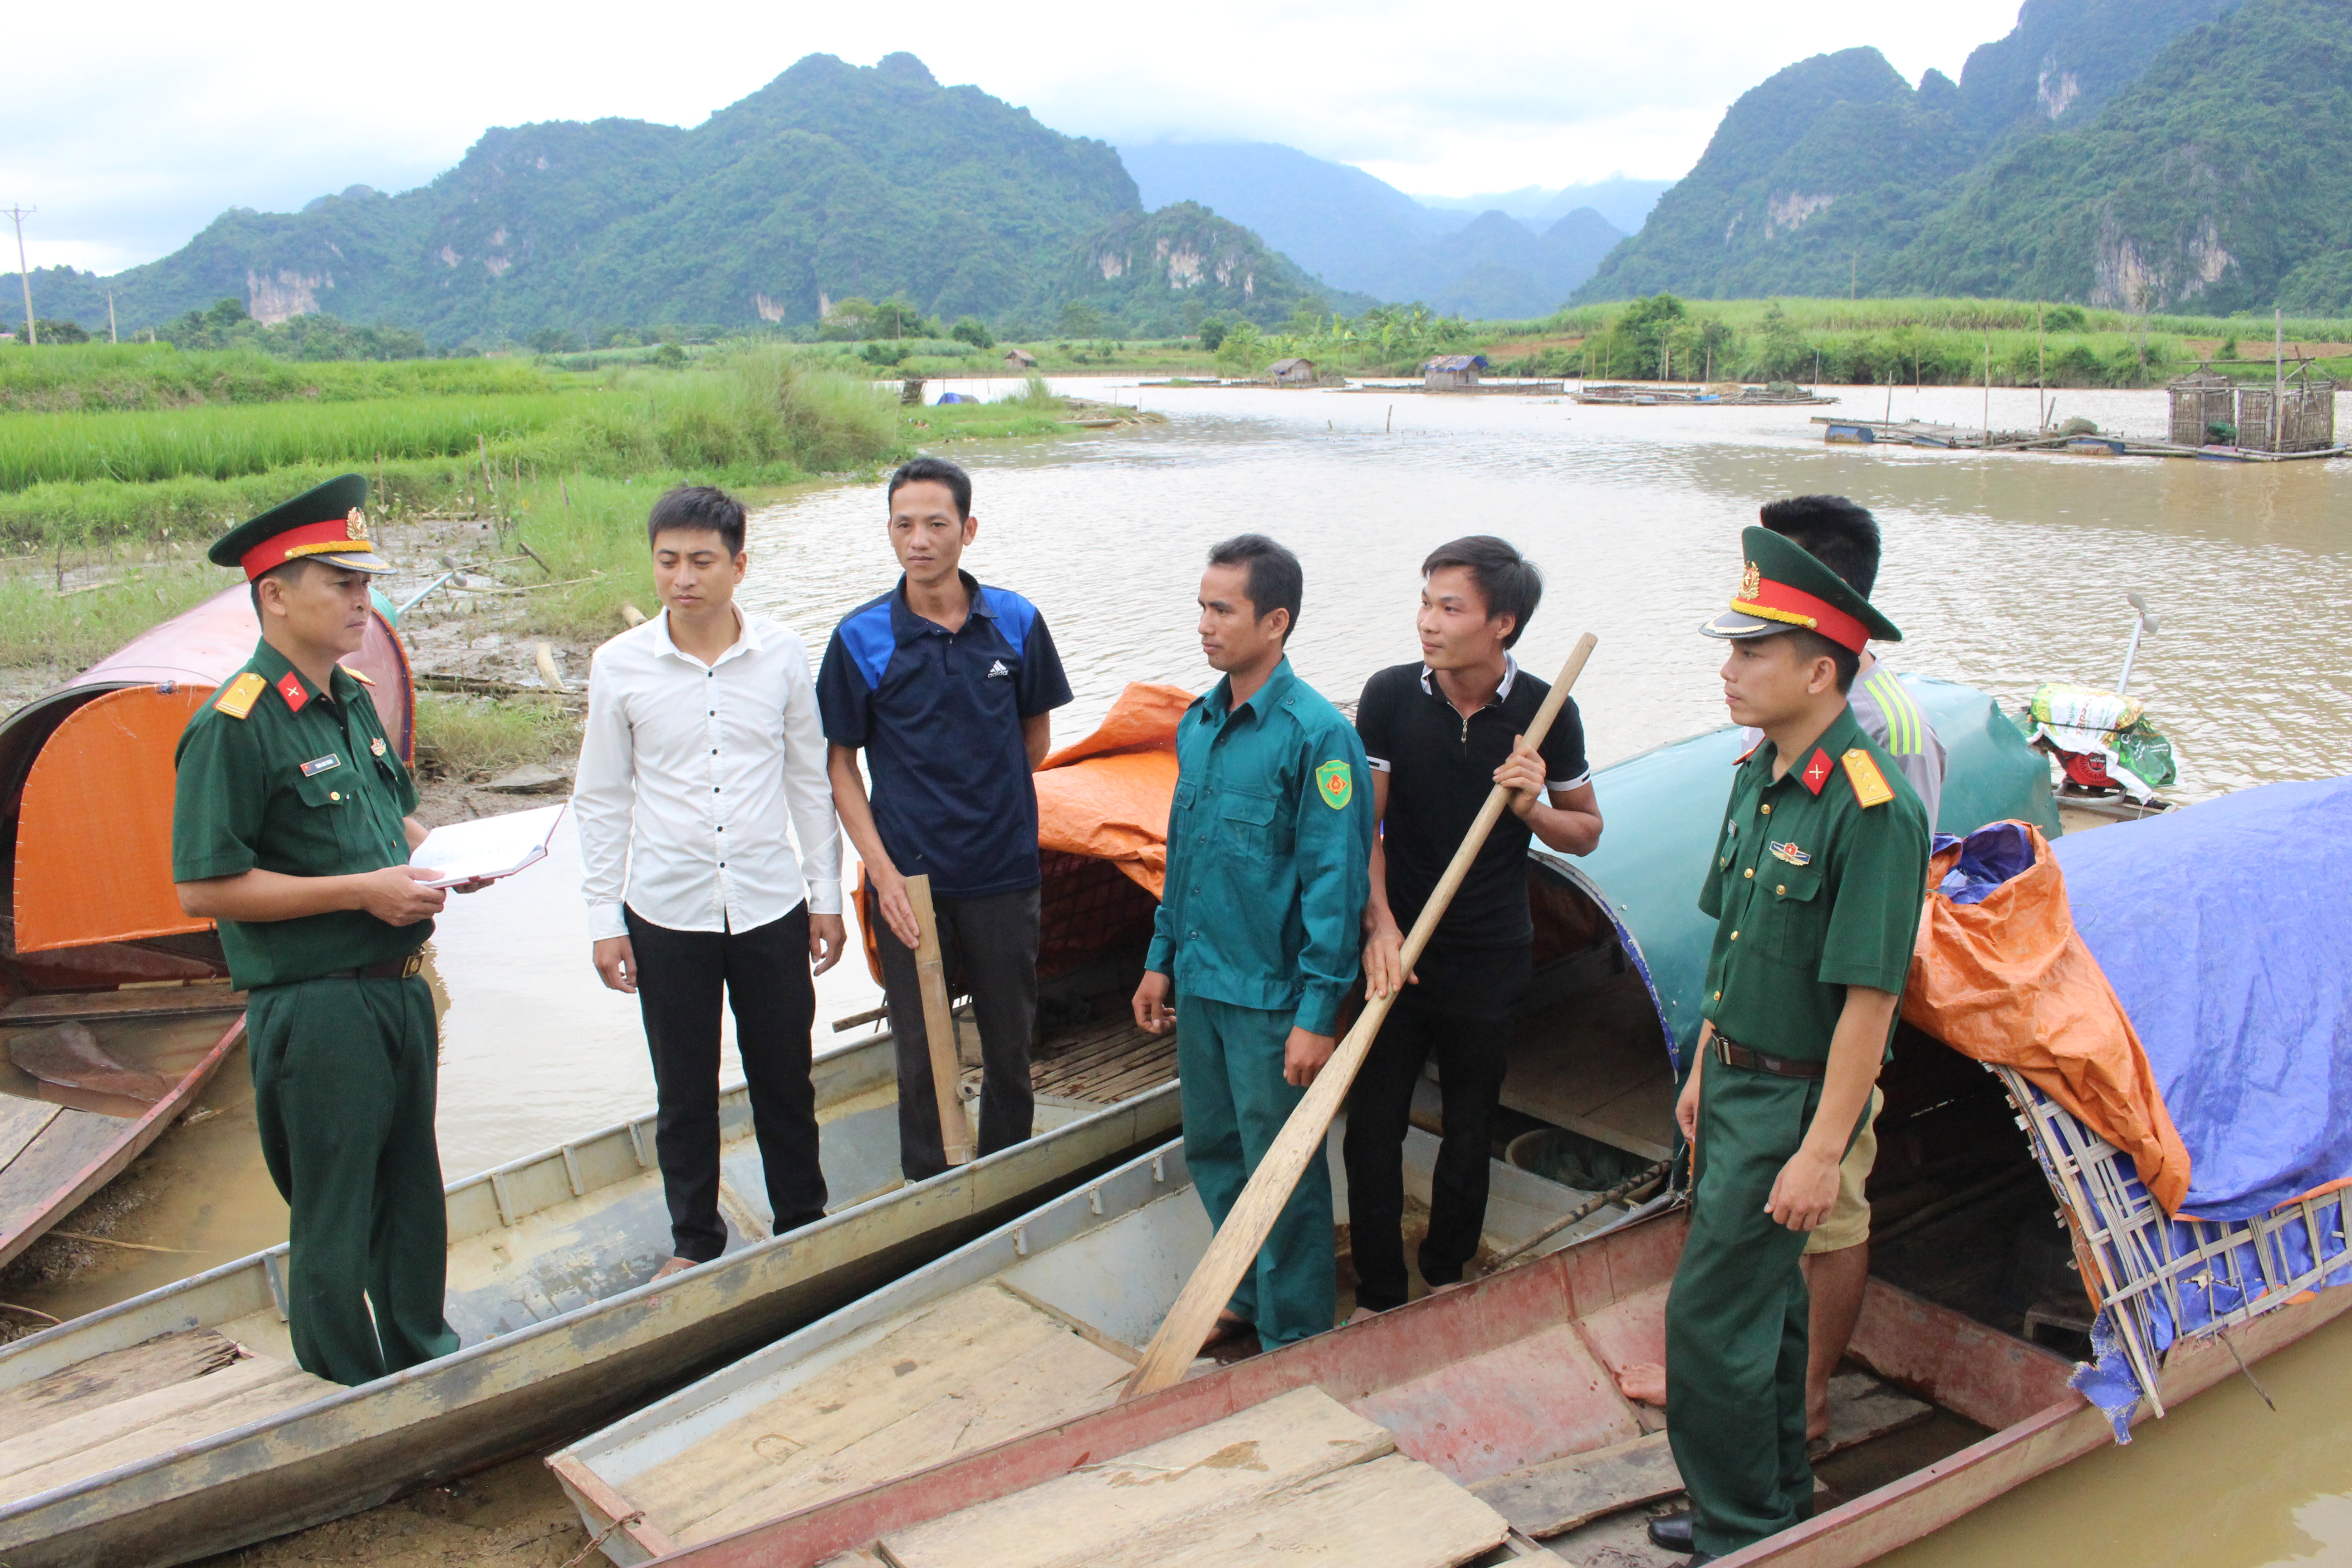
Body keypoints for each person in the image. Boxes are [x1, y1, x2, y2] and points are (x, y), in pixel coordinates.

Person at [1655, 525, 1930, 1563]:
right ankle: (1767, 1505)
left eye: (1751, 652)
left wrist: (1822, 1151)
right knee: (1762, 1313)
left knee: (1707, 1322)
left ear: (1821, 672)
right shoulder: (1761, 773)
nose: (1729, 670)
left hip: (1793, 1101)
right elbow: (1735, 938)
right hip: (1734, 1085)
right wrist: (1702, 1062)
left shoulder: (1871, 808)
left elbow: (1870, 1001)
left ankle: (1736, 1534)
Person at [172, 474, 467, 1386]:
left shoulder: (351, 698)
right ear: (275, 595)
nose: (361, 601)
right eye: (341, 584)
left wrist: (453, 858)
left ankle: (423, 1361)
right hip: (319, 1006)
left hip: (397, 989)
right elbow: (203, 887)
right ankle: (346, 1385)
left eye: (365, 583)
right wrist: (360, 893)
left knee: (412, 1195)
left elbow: (393, 821)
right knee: (336, 1211)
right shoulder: (235, 725)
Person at [577, 485, 844, 1279]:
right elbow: (603, 798)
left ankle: (803, 1223)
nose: (683, 578)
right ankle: (695, 1240)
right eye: (668, 561)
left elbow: (809, 780)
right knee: (684, 1090)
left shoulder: (783, 654)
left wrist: (826, 896)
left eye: (701, 561)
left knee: (785, 1078)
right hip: (667, 913)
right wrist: (604, 919)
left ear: (739, 565)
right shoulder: (619, 665)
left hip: (770, 905)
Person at [1345, 537, 1602, 1320]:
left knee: (1468, 1126)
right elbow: (1364, 830)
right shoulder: (1390, 696)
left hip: (1490, 955)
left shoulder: (1546, 713)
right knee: (1372, 1128)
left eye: (1450, 607)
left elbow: (1586, 831)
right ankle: (1379, 1294)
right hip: (1398, 949)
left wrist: (1532, 807)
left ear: (1503, 624)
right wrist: (1380, 927)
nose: (1428, 621)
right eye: (1425, 602)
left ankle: (1447, 1273)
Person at [1132, 534, 1374, 1354]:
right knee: (1215, 1150)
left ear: (1276, 622)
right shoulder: (1199, 724)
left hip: (1273, 1000)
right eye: (1202, 607)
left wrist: (1317, 1013)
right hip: (1203, 984)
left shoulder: (1317, 737)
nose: (1204, 625)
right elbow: (1185, 855)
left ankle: (1294, 1333)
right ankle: (1238, 1292)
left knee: (1283, 1171)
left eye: (1222, 610)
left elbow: (1336, 888)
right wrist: (1160, 960)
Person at [1752, 495, 1946, 1446]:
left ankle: (1809, 1395)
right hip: (1765, 1004)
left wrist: (1832, 1119)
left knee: (1829, 1205)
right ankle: (1754, 1373)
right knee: (1758, 1203)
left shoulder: (1884, 733)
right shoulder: (1789, 704)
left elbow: (1881, 923)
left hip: (1831, 1018)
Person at [820, 456, 1073, 1181]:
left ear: (969, 529)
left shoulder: (1015, 622)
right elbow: (841, 766)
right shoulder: (861, 638)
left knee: (1010, 1042)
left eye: (936, 524)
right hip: (911, 885)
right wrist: (883, 873)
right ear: (889, 532)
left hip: (1003, 873)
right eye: (904, 525)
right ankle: (930, 1187)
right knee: (921, 1049)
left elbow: (1034, 738)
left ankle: (1006, 1178)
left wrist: (987, 801)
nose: (920, 540)